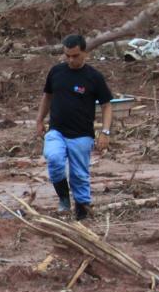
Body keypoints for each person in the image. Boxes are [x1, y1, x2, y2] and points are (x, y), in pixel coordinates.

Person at [35, 34, 113, 220]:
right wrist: (39, 120)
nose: (71, 60)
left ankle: (82, 213)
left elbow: (106, 105)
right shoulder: (56, 72)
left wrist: (105, 131)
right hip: (56, 131)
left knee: (79, 175)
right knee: (53, 158)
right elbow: (47, 96)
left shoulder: (94, 77)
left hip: (81, 135)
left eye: (75, 56)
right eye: (67, 56)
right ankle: (63, 198)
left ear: (85, 53)